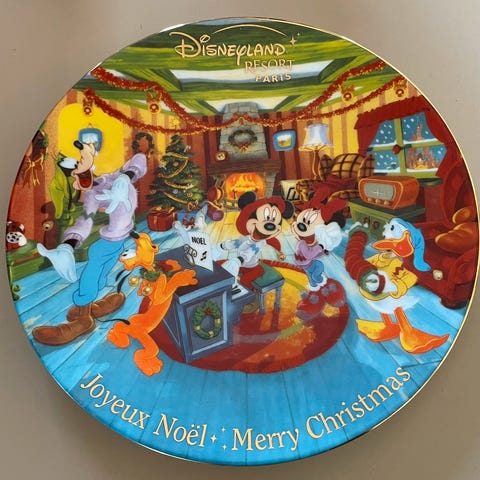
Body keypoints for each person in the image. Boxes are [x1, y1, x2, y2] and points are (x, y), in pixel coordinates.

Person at [32, 132, 153, 346]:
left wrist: (126, 177)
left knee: (101, 272)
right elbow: (85, 220)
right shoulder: (92, 194)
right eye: (76, 176)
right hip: (109, 240)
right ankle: (83, 316)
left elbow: (140, 160)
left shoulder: (114, 177)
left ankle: (87, 307)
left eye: (80, 171)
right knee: (94, 268)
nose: (78, 179)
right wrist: (68, 245)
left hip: (120, 239)